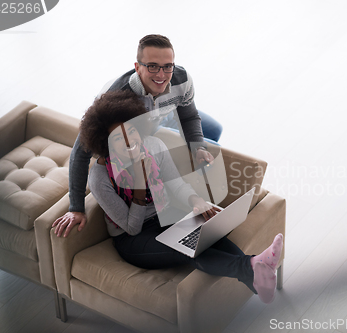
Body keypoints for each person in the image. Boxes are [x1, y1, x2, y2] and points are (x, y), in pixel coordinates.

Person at [76, 90, 282, 303]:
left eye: (131, 131)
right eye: (118, 137)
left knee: (211, 234)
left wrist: (196, 201)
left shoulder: (154, 146)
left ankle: (257, 273)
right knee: (189, 248)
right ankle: (256, 266)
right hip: (133, 240)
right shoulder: (99, 178)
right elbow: (132, 228)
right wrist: (139, 187)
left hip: (165, 215)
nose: (129, 141)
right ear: (105, 143)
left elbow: (175, 184)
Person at [54, 34, 222, 237]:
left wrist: (199, 148)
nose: (161, 74)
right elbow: (80, 153)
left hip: (163, 111)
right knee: (209, 140)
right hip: (143, 127)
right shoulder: (116, 98)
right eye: (152, 66)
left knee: (214, 130)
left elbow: (188, 116)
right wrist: (76, 207)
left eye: (168, 66)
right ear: (137, 67)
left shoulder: (181, 78)